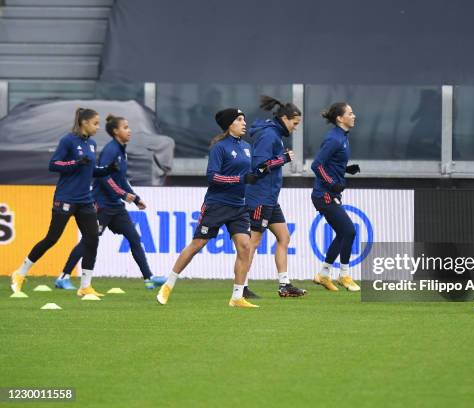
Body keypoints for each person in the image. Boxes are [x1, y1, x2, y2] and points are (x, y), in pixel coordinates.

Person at [156, 108, 267, 308]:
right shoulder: (219, 148)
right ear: (229, 124)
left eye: (244, 119)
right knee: (197, 244)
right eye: (239, 120)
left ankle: (236, 297)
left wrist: (257, 173)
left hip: (239, 206)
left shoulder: (246, 147)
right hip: (217, 205)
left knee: (245, 247)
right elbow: (212, 177)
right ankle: (168, 284)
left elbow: (247, 173)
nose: (244, 123)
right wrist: (240, 178)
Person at [10, 108, 118, 297]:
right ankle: (20, 273)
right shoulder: (68, 141)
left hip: (85, 200)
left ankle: (85, 286)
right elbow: (54, 164)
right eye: (95, 123)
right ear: (84, 122)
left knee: (92, 239)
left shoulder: (92, 144)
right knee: (52, 238)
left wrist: (108, 169)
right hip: (66, 198)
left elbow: (91, 171)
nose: (98, 127)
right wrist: (75, 163)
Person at [55, 114, 167, 291]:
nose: (129, 131)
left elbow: (121, 179)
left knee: (134, 238)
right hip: (102, 205)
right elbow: (103, 177)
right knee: (89, 241)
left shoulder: (122, 150)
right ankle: (63, 277)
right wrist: (123, 194)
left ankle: (149, 278)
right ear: (115, 131)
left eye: (128, 127)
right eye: (125, 127)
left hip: (116, 206)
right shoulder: (111, 150)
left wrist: (135, 198)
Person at [243, 95, 307, 298]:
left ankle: (284, 285)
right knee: (252, 242)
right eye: (295, 123)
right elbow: (259, 168)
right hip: (260, 197)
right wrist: (283, 158)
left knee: (283, 237)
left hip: (269, 198)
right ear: (285, 118)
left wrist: (280, 158)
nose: (296, 128)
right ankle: (241, 287)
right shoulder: (270, 136)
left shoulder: (274, 134)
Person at [311, 102, 361, 292]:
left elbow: (330, 164)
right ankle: (344, 275)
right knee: (349, 231)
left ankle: (323, 275)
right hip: (323, 195)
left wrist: (345, 169)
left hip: (330, 193)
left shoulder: (343, 137)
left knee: (343, 233)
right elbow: (317, 165)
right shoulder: (334, 138)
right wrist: (331, 183)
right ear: (340, 118)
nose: (354, 115)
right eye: (350, 113)